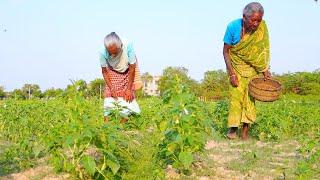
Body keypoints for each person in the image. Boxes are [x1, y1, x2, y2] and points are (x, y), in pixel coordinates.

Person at [222, 2, 271, 140]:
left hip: (253, 69)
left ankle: (245, 133)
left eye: (259, 20)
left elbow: (262, 51)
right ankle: (232, 130)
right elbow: (226, 51)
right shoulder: (232, 27)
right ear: (244, 17)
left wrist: (265, 69)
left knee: (250, 100)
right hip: (236, 67)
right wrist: (231, 73)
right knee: (236, 99)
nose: (256, 24)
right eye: (253, 20)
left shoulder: (262, 29)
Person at [99, 32, 141, 123]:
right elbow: (104, 71)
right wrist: (111, 87)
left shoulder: (128, 45)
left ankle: (122, 124)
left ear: (120, 46)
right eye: (111, 53)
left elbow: (132, 67)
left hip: (128, 69)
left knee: (126, 96)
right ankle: (106, 127)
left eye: (115, 52)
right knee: (109, 96)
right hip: (112, 69)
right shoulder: (102, 52)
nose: (113, 55)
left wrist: (129, 89)